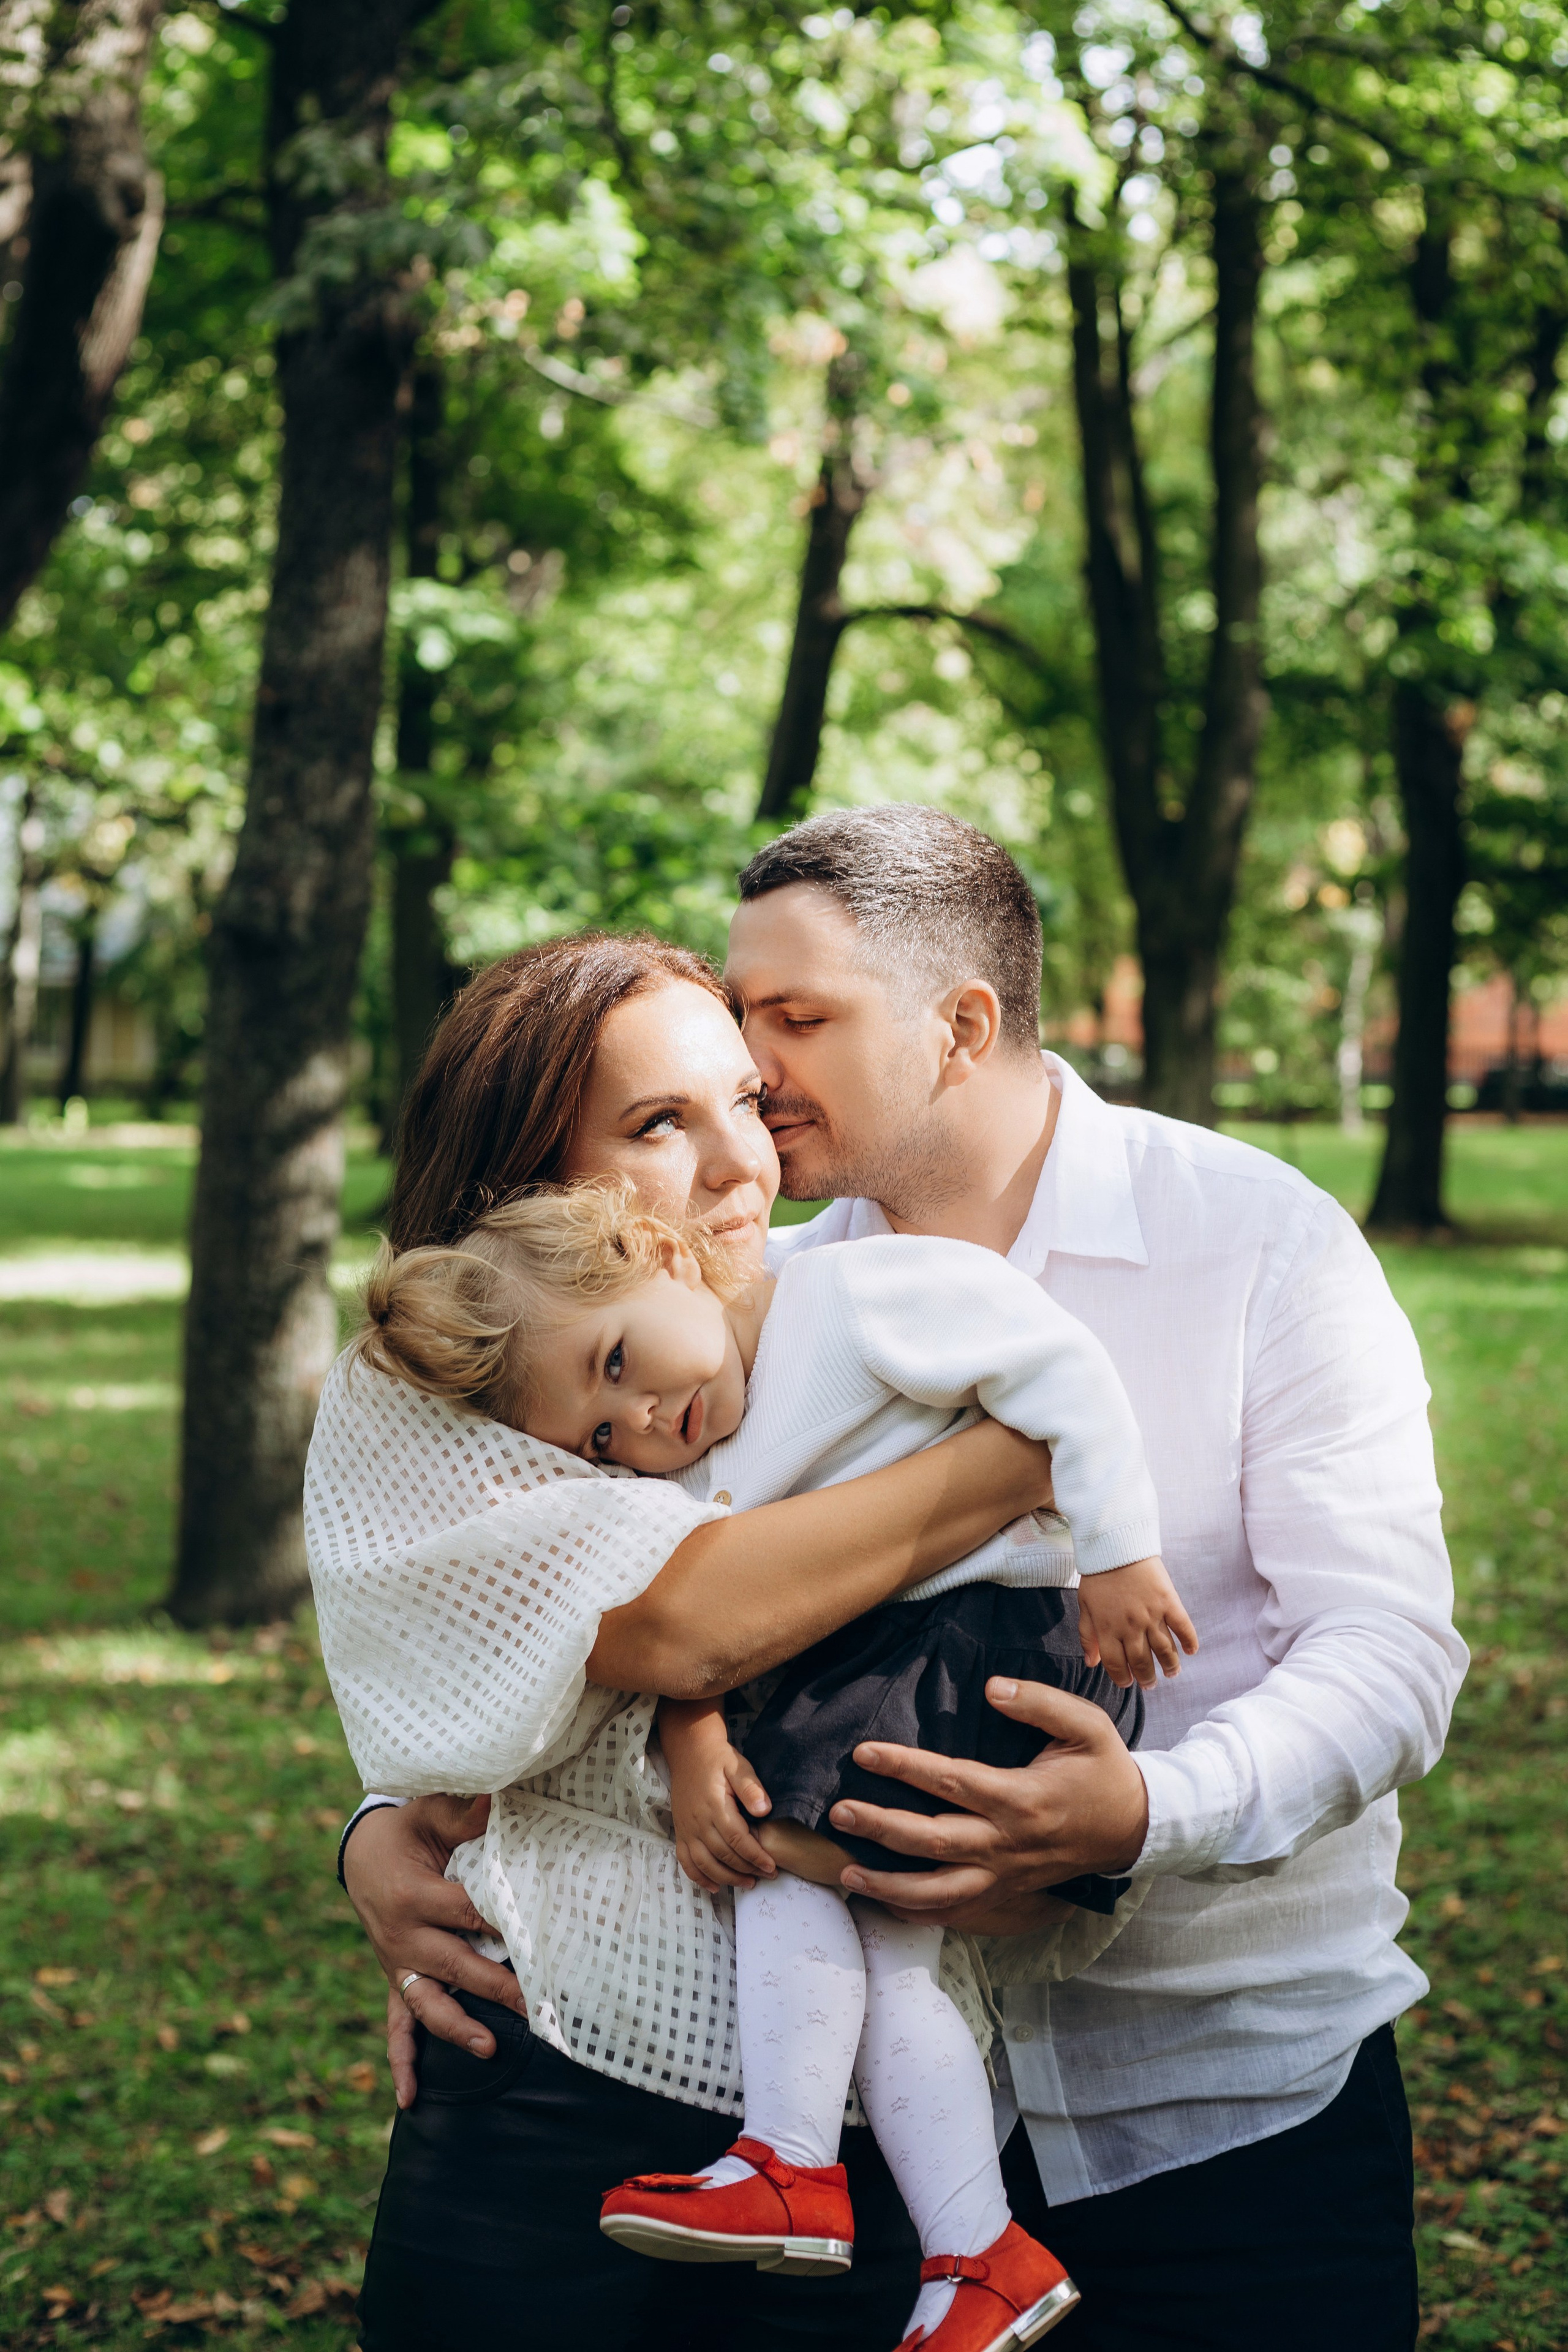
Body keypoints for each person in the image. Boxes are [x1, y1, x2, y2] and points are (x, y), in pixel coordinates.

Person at [348, 806, 1466, 2352]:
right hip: (905, 2151)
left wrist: (1143, 1815)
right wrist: (385, 1831)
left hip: (1223, 2101)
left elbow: (1389, 1651)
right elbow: (606, 1586)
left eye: (795, 1021)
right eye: (741, 1019)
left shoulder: (1259, 1243)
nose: (756, 1077)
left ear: (960, 1027)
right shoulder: (753, 1292)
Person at [312, 928, 1065, 2352]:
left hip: (868, 2121)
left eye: (744, 1101)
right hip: (559, 2070)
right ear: (526, 1179)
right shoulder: (423, 1381)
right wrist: (1011, 1462)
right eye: (657, 1123)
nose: (740, 1165)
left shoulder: (829, 1315)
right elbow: (679, 1621)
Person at [347, 1174, 1197, 2350]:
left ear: (660, 1252)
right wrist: (690, 1727)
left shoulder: (855, 1297)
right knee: (888, 1958)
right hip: (923, 1653)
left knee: (774, 1856)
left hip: (985, 1640)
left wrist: (1120, 1555)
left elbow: (1064, 1371)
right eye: (602, 1434)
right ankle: (977, 2253)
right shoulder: (700, 1437)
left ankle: (793, 2166)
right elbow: (703, 1614)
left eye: (617, 1362)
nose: (644, 1419)